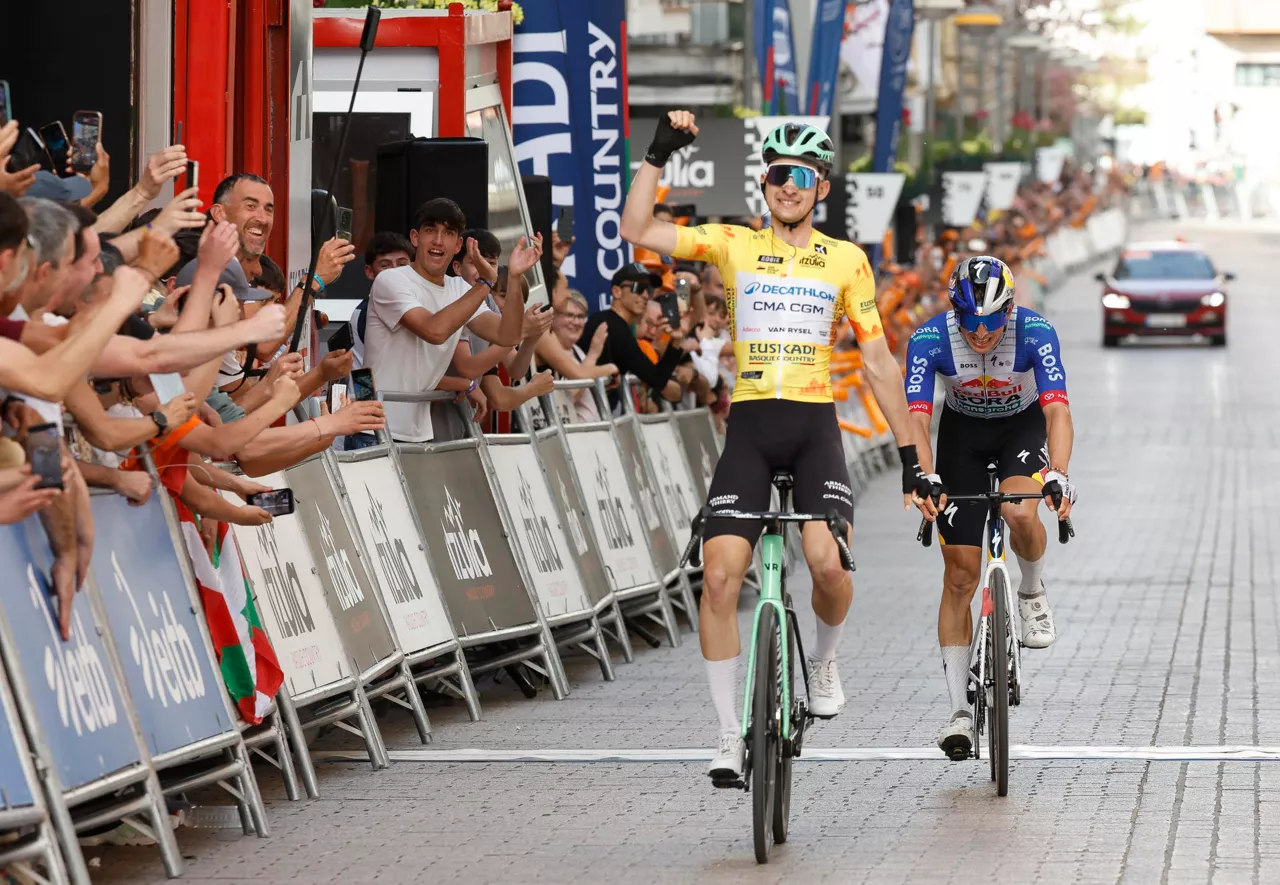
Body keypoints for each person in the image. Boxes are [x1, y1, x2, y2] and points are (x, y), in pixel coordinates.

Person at [620, 110, 935, 782]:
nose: (785, 185)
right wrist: (657, 155)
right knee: (720, 577)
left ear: (821, 187)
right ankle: (729, 735)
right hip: (753, 427)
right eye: (774, 174)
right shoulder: (732, 242)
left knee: (827, 565)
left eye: (799, 175)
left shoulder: (847, 261)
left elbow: (879, 364)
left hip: (814, 425)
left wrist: (912, 459)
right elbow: (637, 229)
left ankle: (822, 660)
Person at [904, 255, 1076, 761]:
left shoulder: (1036, 333)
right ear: (953, 310)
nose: (981, 332)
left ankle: (1031, 589)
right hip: (962, 437)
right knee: (959, 576)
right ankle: (958, 709)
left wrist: (1059, 473)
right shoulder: (930, 339)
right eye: (970, 320)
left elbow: (1057, 410)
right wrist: (923, 473)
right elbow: (916, 418)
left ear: (1011, 308)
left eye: (992, 320)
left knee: (1021, 512)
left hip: (1020, 429)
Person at [363, 197, 539, 443]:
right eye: (430, 230)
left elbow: (507, 336)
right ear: (415, 238)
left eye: (448, 233)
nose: (437, 240)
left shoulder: (458, 288)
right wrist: (485, 284)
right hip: (372, 431)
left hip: (418, 433)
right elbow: (435, 331)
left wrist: (515, 277)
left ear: (458, 245)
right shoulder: (390, 281)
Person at [577, 262, 686, 412]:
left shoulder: (610, 322)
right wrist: (675, 343)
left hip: (592, 411)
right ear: (617, 292)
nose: (646, 295)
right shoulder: (614, 327)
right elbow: (656, 379)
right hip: (586, 413)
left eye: (648, 290)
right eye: (638, 288)